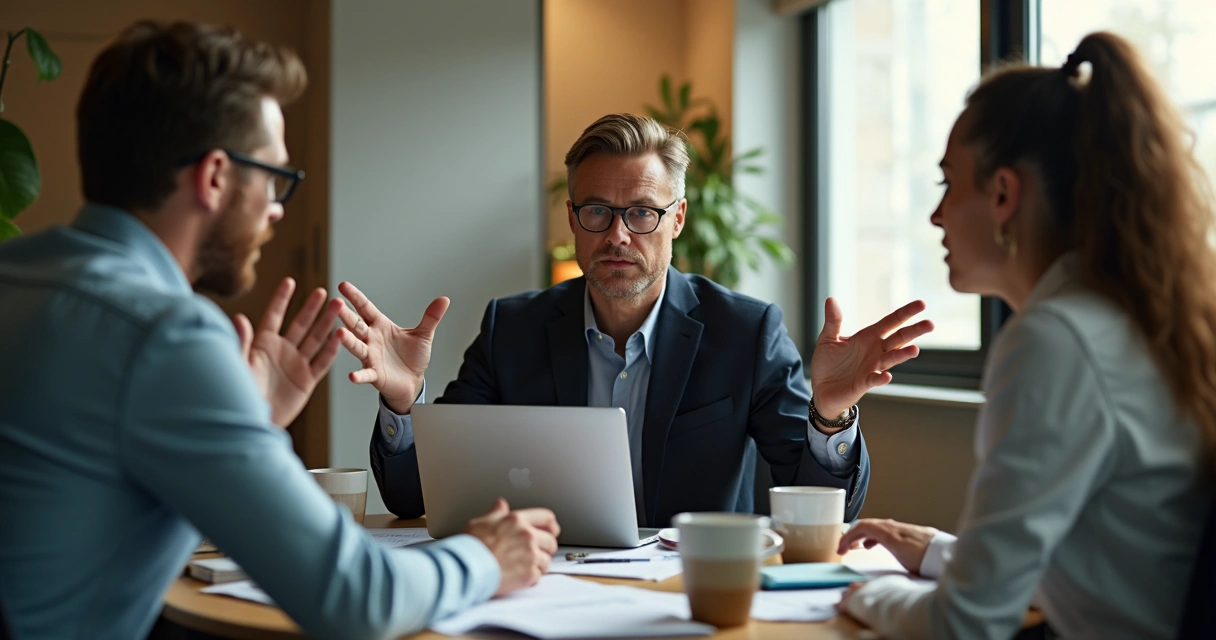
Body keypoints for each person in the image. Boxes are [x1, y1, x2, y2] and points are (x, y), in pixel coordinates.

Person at [0, 22, 557, 640]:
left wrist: (245, 420)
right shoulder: (166, 335)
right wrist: (485, 556)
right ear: (214, 177)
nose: (277, 208)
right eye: (273, 178)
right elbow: (357, 599)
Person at [336, 113, 933, 527]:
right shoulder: (510, 330)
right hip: (549, 592)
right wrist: (402, 404)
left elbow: (823, 507)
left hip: (690, 597)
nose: (618, 235)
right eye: (598, 210)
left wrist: (828, 417)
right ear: (572, 218)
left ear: (676, 220)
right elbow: (416, 496)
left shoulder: (745, 334)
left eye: (642, 212)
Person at [835, 31, 1216, 640]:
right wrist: (935, 550)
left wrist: (866, 595)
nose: (936, 215)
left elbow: (966, 624)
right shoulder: (1132, 320)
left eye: (947, 183)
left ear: (1004, 194)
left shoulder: (1055, 341)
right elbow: (1101, 564)